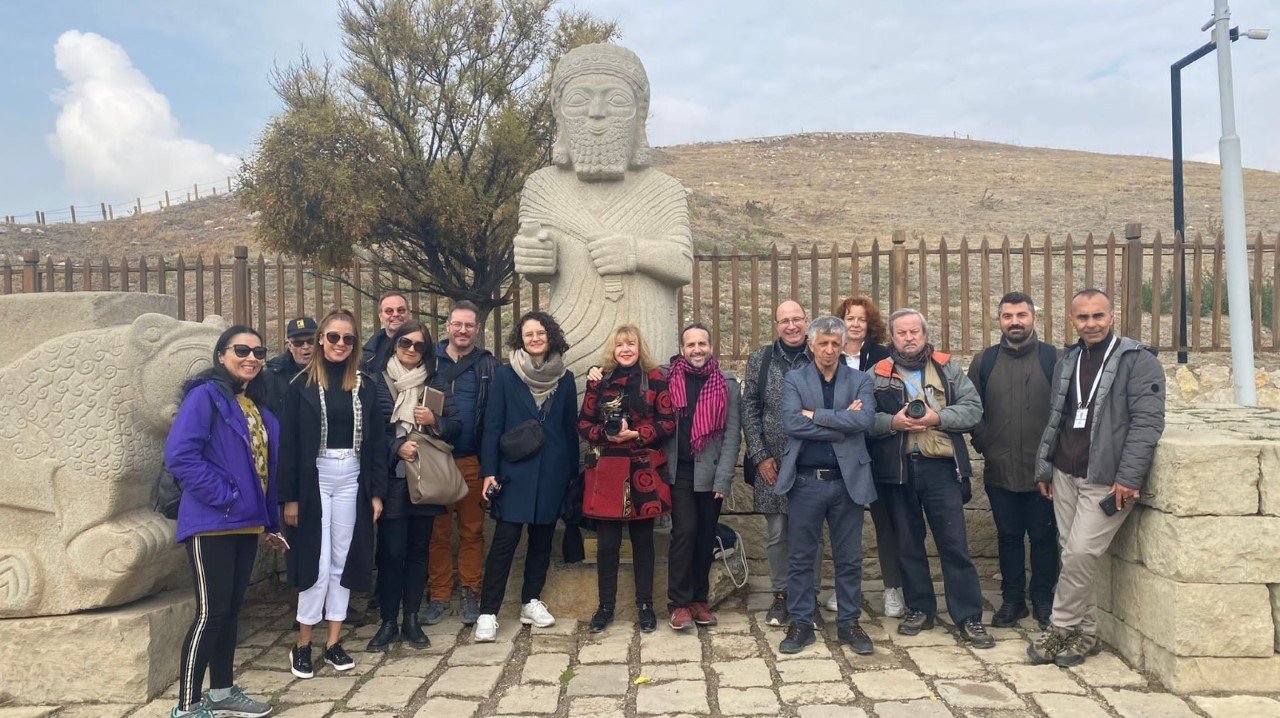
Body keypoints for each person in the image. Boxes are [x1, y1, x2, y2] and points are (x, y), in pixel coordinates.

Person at [514, 43, 692, 379]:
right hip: (571, 342)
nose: (597, 113)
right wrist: (534, 256)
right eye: (579, 100)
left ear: (639, 114)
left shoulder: (663, 189)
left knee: (649, 422)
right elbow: (534, 266)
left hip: (646, 343)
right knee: (573, 423)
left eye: (617, 101)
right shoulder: (541, 187)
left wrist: (634, 251)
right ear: (560, 112)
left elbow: (682, 264)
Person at [1029, 289, 1164, 667]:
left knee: (1080, 552)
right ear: (1072, 320)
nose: (1091, 324)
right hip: (1065, 472)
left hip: (1106, 478)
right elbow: (1057, 417)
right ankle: (1085, 636)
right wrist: (1046, 467)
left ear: (1112, 316)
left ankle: (1059, 628)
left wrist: (1129, 477)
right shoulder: (1068, 359)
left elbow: (1147, 424)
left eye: (1098, 316)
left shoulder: (1139, 362)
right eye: (1083, 317)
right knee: (1073, 555)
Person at [164, 325, 285, 718]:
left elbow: (262, 470)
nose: (252, 357)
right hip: (211, 523)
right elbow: (181, 455)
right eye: (241, 349)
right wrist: (224, 495)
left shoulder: (254, 406)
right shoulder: (205, 397)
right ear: (221, 355)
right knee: (210, 613)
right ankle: (186, 705)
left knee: (231, 611)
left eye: (258, 351)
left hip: (245, 525)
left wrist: (269, 523)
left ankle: (221, 691)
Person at [868, 309, 994, 648]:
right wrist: (892, 423)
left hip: (941, 468)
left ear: (925, 334)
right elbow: (864, 419)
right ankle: (919, 608)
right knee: (908, 544)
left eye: (914, 332)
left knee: (954, 545)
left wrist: (938, 417)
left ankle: (968, 616)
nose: (909, 338)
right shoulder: (876, 374)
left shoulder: (947, 368)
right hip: (897, 469)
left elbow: (973, 409)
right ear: (891, 338)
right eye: (901, 333)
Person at [280, 309, 387, 678]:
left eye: (348, 338)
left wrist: (375, 493)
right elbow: (290, 445)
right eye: (333, 337)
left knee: (343, 559)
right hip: (315, 477)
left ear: (355, 344)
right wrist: (290, 497)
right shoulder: (300, 386)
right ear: (321, 339)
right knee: (317, 560)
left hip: (352, 476)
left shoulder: (367, 386)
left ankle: (333, 641)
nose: (340, 344)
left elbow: (375, 445)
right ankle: (303, 643)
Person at [774, 317, 878, 655]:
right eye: (823, 343)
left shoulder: (861, 379)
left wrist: (815, 416)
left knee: (849, 558)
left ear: (844, 345)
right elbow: (791, 422)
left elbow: (864, 420)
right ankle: (802, 621)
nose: (829, 350)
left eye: (836, 343)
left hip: (848, 482)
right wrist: (840, 421)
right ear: (811, 344)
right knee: (802, 556)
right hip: (806, 482)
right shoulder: (795, 378)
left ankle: (849, 622)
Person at [473, 311, 579, 642]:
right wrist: (489, 471)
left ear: (551, 336)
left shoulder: (565, 377)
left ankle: (530, 601)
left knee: (542, 541)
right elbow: (492, 426)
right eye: (528, 333)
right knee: (504, 542)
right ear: (521, 338)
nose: (534, 338)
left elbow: (569, 430)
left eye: (540, 333)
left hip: (551, 471)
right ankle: (488, 612)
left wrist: (571, 475)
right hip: (513, 472)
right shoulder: (506, 376)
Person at [366, 320, 461, 651]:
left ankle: (411, 619)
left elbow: (456, 426)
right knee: (392, 552)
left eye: (419, 346)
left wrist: (434, 421)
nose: (410, 350)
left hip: (424, 478)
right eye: (405, 343)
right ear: (395, 344)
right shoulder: (376, 380)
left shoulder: (436, 381)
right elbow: (367, 431)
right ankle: (388, 621)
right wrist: (396, 447)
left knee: (419, 551)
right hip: (391, 478)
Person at [968, 292, 1060, 630]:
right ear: (999, 320)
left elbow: (1063, 411)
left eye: (1021, 315)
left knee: (1044, 536)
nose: (1015, 322)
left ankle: (1043, 599)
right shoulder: (985, 361)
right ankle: (1012, 600)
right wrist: (985, 444)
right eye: (1008, 316)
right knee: (1007, 536)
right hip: (1000, 469)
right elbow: (971, 409)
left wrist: (1052, 460)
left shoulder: (1054, 358)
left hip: (1044, 472)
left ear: (1034, 317)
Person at [579, 325, 676, 633]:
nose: (625, 349)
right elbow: (583, 423)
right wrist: (604, 434)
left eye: (631, 344)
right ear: (613, 348)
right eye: (620, 344)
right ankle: (605, 606)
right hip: (607, 468)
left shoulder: (656, 378)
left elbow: (668, 422)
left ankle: (645, 606)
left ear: (639, 347)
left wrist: (638, 434)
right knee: (607, 543)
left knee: (643, 541)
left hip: (642, 469)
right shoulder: (599, 380)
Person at [741, 300, 824, 628]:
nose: (791, 326)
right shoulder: (761, 359)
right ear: (776, 325)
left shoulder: (820, 355)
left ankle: (810, 595)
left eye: (796, 319)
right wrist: (760, 456)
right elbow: (749, 408)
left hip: (811, 462)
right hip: (771, 465)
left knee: (812, 534)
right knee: (777, 533)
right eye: (784, 321)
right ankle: (781, 594)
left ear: (807, 321)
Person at [424, 301, 498, 627]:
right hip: (435, 458)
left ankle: (471, 590)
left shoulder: (487, 365)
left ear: (477, 329)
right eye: (457, 324)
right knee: (436, 532)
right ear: (448, 326)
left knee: (472, 531)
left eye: (469, 325)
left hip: (471, 459)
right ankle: (439, 594)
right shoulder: (428, 361)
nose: (463, 330)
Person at [663, 322, 740, 631]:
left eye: (702, 344)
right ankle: (678, 603)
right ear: (682, 349)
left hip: (710, 472)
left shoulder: (726, 383)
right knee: (685, 531)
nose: (697, 349)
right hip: (678, 470)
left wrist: (724, 479)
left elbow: (733, 434)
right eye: (691, 344)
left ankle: (699, 599)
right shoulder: (666, 378)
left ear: (711, 347)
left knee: (706, 534)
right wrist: (598, 370)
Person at [831, 295, 904, 619]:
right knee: (844, 523)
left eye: (861, 319)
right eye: (850, 318)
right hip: (841, 451)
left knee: (886, 522)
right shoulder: (828, 353)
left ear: (869, 323)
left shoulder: (884, 356)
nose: (856, 324)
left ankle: (893, 589)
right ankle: (844, 588)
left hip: (879, 450)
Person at [266, 316, 315, 419]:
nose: (305, 346)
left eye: (311, 341)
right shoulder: (274, 375)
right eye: (298, 343)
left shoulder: (331, 370)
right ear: (290, 346)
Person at [363, 291, 410, 374]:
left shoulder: (422, 346)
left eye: (401, 310)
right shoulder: (369, 355)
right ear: (380, 316)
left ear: (408, 313)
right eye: (389, 311)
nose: (395, 314)